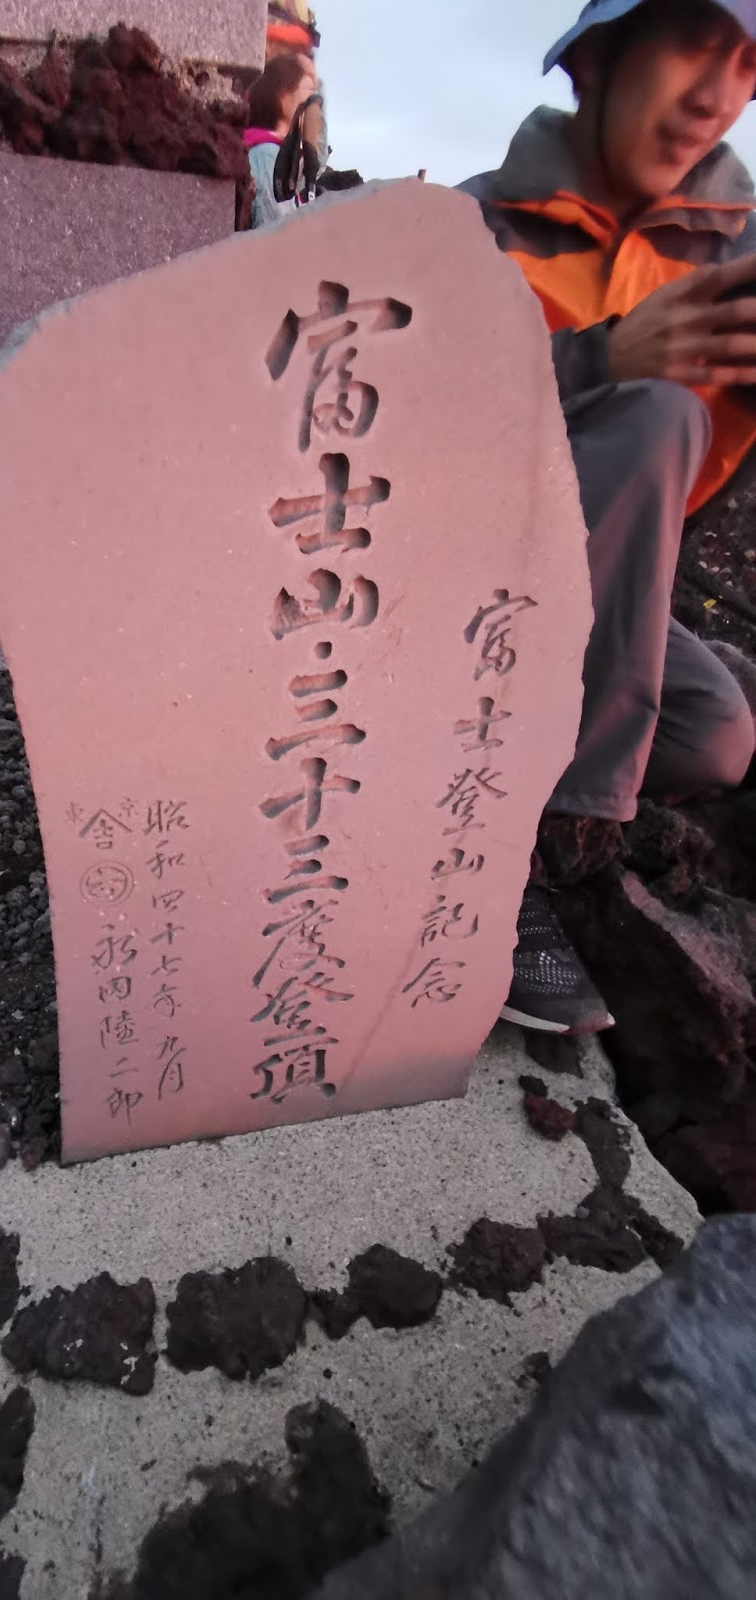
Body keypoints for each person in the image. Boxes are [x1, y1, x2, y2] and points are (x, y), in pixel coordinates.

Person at [461, 0, 756, 1033]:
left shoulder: (735, 262)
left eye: (747, 63)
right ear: (598, 55)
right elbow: (394, 431)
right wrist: (602, 359)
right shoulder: (471, 229)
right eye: (694, 43)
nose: (716, 96)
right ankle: (507, 859)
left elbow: (691, 483)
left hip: (597, 589)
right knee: (655, 410)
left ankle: (493, 780)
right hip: (446, 585)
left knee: (716, 734)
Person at [246, 54, 320, 226]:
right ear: (283, 98)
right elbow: (279, 231)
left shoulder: (278, 156)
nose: (316, 104)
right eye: (310, 92)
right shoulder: (268, 156)